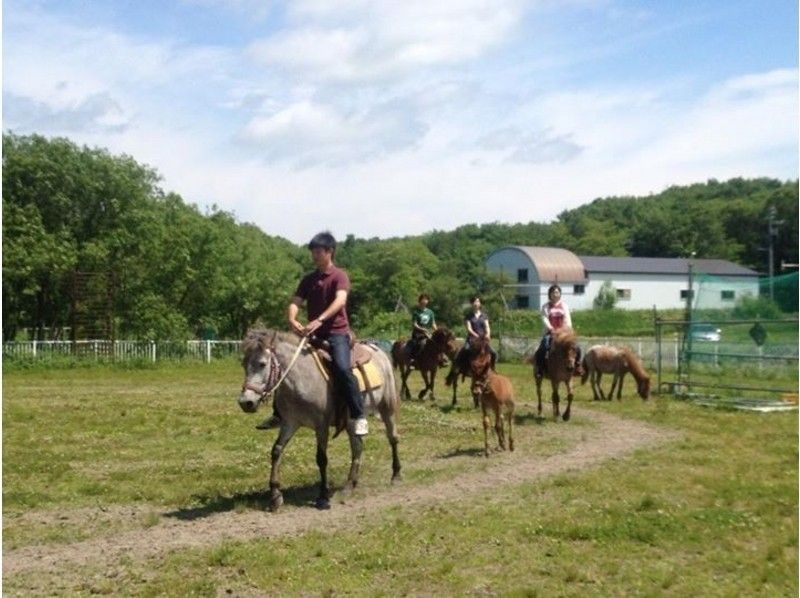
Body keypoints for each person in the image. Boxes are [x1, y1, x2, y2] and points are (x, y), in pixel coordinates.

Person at [257, 231, 369, 436]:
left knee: (343, 369)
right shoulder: (308, 279)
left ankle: (358, 415)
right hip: (312, 335)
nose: (314, 255)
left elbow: (340, 301)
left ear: (330, 252)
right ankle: (278, 413)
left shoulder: (339, 276)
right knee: (283, 363)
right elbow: (295, 302)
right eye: (313, 251)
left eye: (318, 251)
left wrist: (319, 320)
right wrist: (292, 319)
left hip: (336, 334)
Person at [534, 284, 582, 379]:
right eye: (553, 292)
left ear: (560, 294)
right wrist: (551, 329)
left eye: (557, 292)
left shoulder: (564, 306)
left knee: (577, 348)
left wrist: (565, 331)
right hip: (550, 333)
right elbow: (544, 319)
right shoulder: (546, 306)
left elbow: (567, 320)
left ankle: (577, 366)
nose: (555, 294)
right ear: (550, 294)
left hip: (563, 334)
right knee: (542, 348)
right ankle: (540, 369)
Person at [456, 295, 497, 372]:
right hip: (472, 339)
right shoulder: (468, 316)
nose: (476, 303)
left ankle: (492, 368)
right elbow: (469, 329)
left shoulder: (484, 316)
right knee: (465, 349)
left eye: (478, 301)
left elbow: (487, 326)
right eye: (474, 301)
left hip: (483, 340)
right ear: (472, 304)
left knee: (494, 353)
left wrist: (488, 334)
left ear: (480, 304)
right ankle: (462, 368)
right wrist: (477, 336)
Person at [408, 293, 437, 361]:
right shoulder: (416, 312)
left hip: (428, 332)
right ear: (420, 301)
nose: (424, 301)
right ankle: (413, 359)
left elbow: (433, 323)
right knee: (419, 344)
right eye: (423, 299)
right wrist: (422, 329)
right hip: (418, 333)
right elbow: (414, 324)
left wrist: (436, 330)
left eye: (426, 299)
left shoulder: (430, 312)